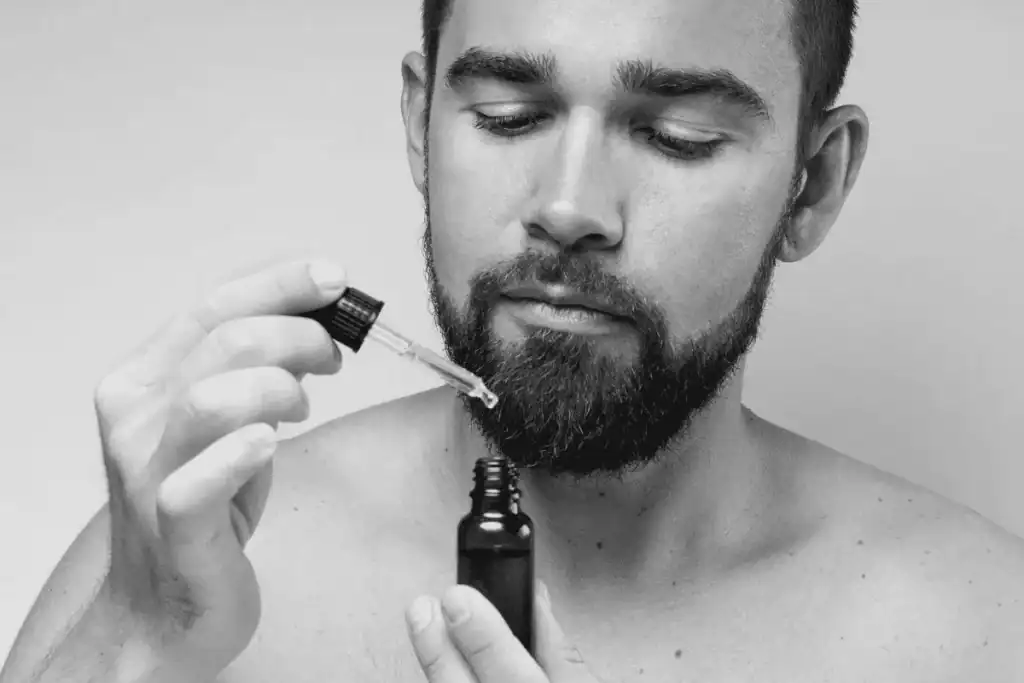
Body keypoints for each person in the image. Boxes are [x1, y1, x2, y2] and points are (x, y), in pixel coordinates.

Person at [4, 0, 1024, 680]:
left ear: (813, 183)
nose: (570, 206)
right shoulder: (182, 565)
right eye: (505, 116)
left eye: (678, 136)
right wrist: (130, 640)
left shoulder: (977, 632)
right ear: (419, 125)